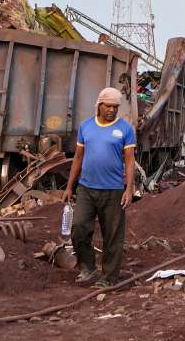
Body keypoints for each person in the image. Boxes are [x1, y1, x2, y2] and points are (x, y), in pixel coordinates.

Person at [64, 88, 136, 286]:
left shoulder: (125, 129)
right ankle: (87, 268)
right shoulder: (86, 126)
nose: (112, 110)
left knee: (112, 235)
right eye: (108, 106)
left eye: (115, 107)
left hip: (113, 190)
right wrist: (70, 186)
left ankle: (109, 278)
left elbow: (129, 162)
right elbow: (78, 158)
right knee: (78, 227)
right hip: (86, 188)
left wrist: (129, 188)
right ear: (99, 105)